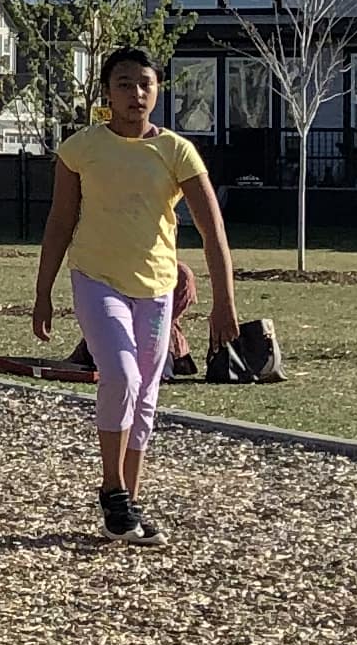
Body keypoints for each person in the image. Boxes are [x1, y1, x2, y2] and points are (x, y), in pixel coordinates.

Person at [32, 45, 238, 545]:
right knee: (121, 376)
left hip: (157, 287)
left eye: (144, 83)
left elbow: (213, 230)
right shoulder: (81, 148)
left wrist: (225, 302)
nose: (135, 93)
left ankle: (126, 506)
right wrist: (42, 293)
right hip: (97, 279)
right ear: (107, 91)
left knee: (146, 393)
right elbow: (60, 222)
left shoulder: (176, 152)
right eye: (124, 83)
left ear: (158, 90)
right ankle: (113, 490)